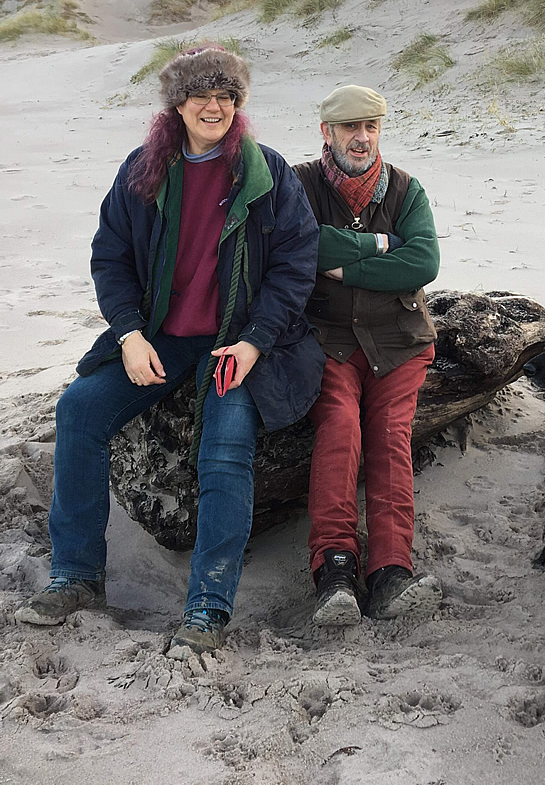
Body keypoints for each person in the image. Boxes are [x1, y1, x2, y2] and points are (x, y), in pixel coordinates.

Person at [15, 45, 325, 657]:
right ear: (176, 103)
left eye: (227, 96)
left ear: (238, 104)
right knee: (79, 409)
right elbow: (110, 259)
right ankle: (76, 576)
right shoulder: (144, 170)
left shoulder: (267, 174)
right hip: (160, 336)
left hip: (238, 342)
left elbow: (296, 265)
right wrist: (129, 335)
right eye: (201, 95)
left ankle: (209, 607)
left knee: (226, 445)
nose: (215, 106)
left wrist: (255, 344)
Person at [293, 85, 442, 626]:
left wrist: (343, 267)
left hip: (399, 339)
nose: (361, 138)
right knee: (339, 428)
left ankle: (390, 572)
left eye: (371, 127)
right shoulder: (299, 183)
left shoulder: (406, 189)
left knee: (390, 438)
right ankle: (334, 568)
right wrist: (380, 245)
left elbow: (423, 261)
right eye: (350, 128)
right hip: (327, 337)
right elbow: (302, 243)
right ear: (327, 133)